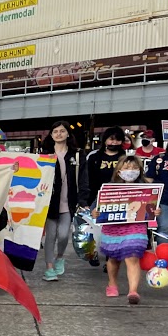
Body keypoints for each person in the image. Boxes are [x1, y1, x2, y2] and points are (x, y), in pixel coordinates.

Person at [94, 155, 158, 305]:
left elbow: (151, 207)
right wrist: (95, 212)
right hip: (113, 228)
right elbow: (96, 206)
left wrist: (155, 211)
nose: (131, 171)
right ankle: (112, 284)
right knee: (114, 259)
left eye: (135, 168)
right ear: (119, 171)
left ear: (140, 170)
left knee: (133, 256)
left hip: (136, 227)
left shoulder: (146, 189)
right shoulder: (109, 188)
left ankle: (133, 291)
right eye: (127, 168)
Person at [40, 120, 81, 282]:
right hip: (49, 202)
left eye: (62, 131)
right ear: (51, 135)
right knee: (50, 236)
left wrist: (82, 199)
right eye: (55, 131)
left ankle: (60, 257)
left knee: (64, 235)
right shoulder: (44, 154)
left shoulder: (76, 155)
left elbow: (82, 179)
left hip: (68, 202)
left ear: (67, 134)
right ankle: (49, 268)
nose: (58, 134)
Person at [78, 127, 127, 208]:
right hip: (95, 198)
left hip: (121, 198)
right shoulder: (94, 157)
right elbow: (86, 180)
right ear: (105, 140)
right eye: (111, 139)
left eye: (118, 140)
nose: (114, 142)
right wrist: (84, 201)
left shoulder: (126, 157)